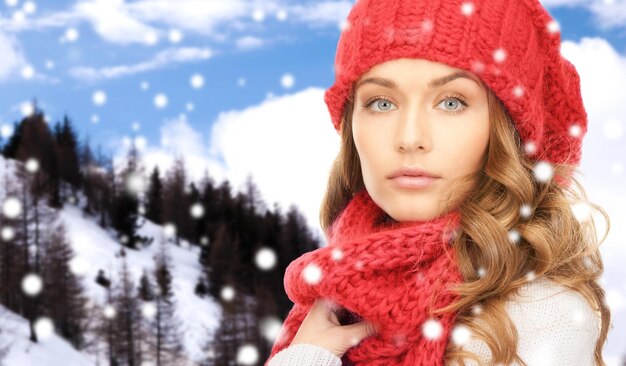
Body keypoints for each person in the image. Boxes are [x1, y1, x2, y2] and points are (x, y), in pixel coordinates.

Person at [265, 0, 611, 365]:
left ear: (505, 129)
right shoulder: (337, 295)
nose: (410, 137)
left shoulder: (542, 314)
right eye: (382, 103)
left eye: (451, 103)